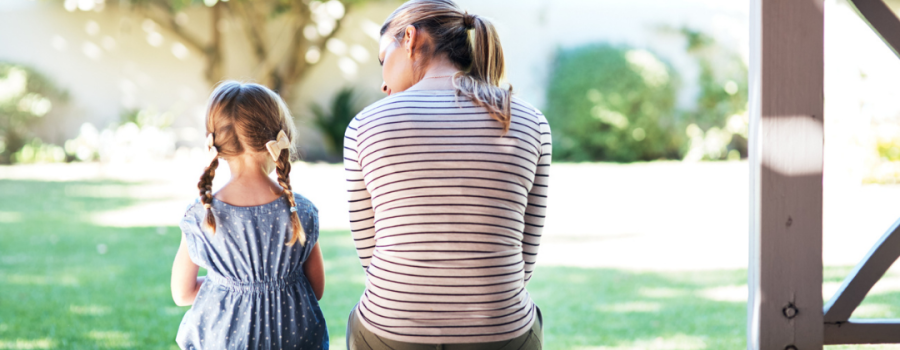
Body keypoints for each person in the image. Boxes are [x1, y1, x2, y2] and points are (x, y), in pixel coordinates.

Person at [343, 0, 552, 348]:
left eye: (384, 60)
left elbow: (370, 254)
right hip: (501, 329)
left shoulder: (366, 125)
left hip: (393, 327)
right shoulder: (530, 121)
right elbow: (525, 259)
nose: (383, 83)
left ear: (409, 38)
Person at [171, 81, 328, 350]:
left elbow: (182, 293)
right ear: (279, 138)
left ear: (216, 144)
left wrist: (226, 288)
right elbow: (316, 288)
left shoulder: (202, 213)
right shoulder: (300, 210)